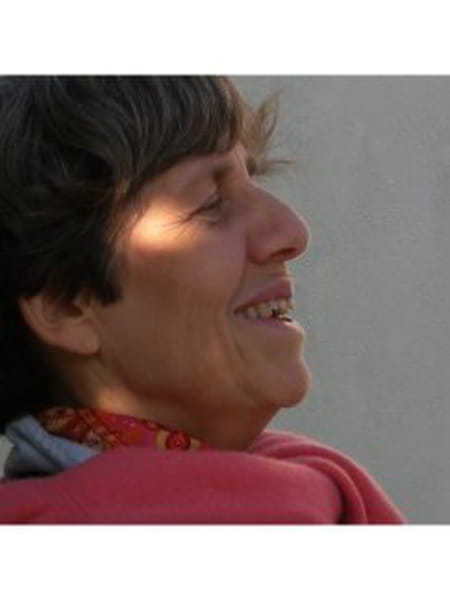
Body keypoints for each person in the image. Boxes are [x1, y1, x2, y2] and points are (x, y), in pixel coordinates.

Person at [0, 76, 405, 523]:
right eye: (211, 202)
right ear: (67, 305)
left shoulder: (314, 491)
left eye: (255, 178)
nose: (291, 231)